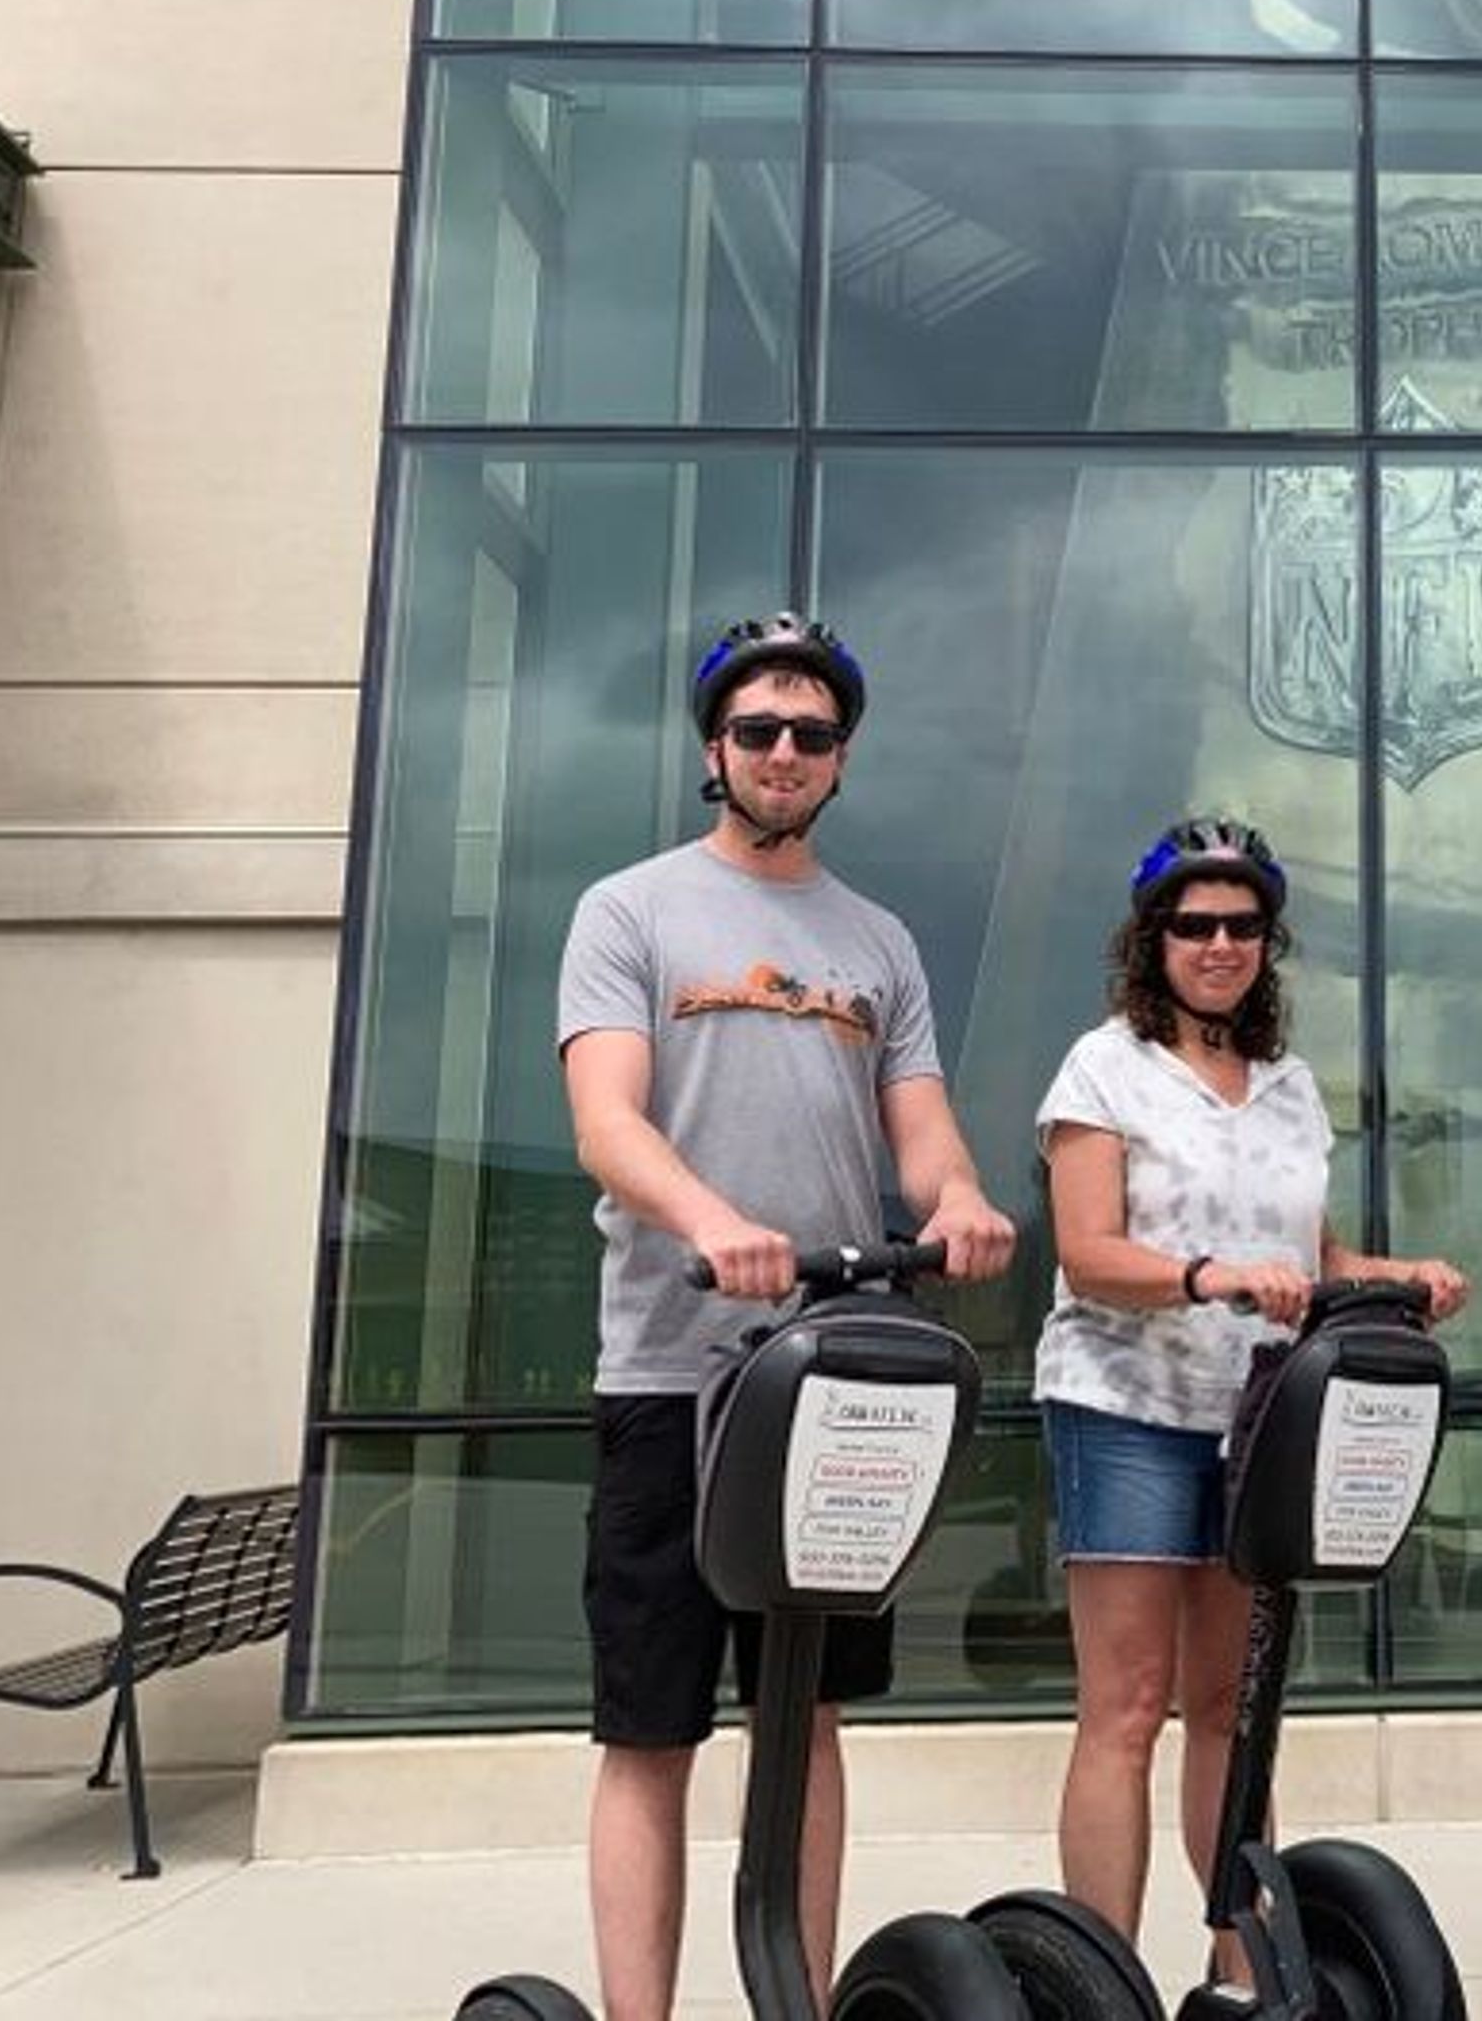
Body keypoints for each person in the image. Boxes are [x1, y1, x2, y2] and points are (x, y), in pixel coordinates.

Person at [556, 612, 1020, 2021]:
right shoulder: (629, 911)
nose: (782, 751)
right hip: (670, 1373)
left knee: (805, 1718)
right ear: (716, 749)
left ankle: (797, 2006)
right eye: (757, 729)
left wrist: (961, 1206)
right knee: (652, 1731)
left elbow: (924, 1134)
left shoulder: (876, 941)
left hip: (832, 1380)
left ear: (838, 760)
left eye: (810, 734)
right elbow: (603, 1122)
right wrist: (710, 1223)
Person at [1031, 815, 1469, 1968]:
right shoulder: (1104, 1066)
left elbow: (1309, 1254)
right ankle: (1101, 1978)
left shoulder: (1285, 1086)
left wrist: (1399, 1277)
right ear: (1155, 938)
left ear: (1266, 944)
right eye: (1195, 925)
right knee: (1127, 1708)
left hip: (1255, 1420)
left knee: (1230, 1706)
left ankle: (1245, 1974)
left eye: (1243, 926)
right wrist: (1207, 1279)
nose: (1220, 944)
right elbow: (1085, 1251)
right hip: (1124, 1407)